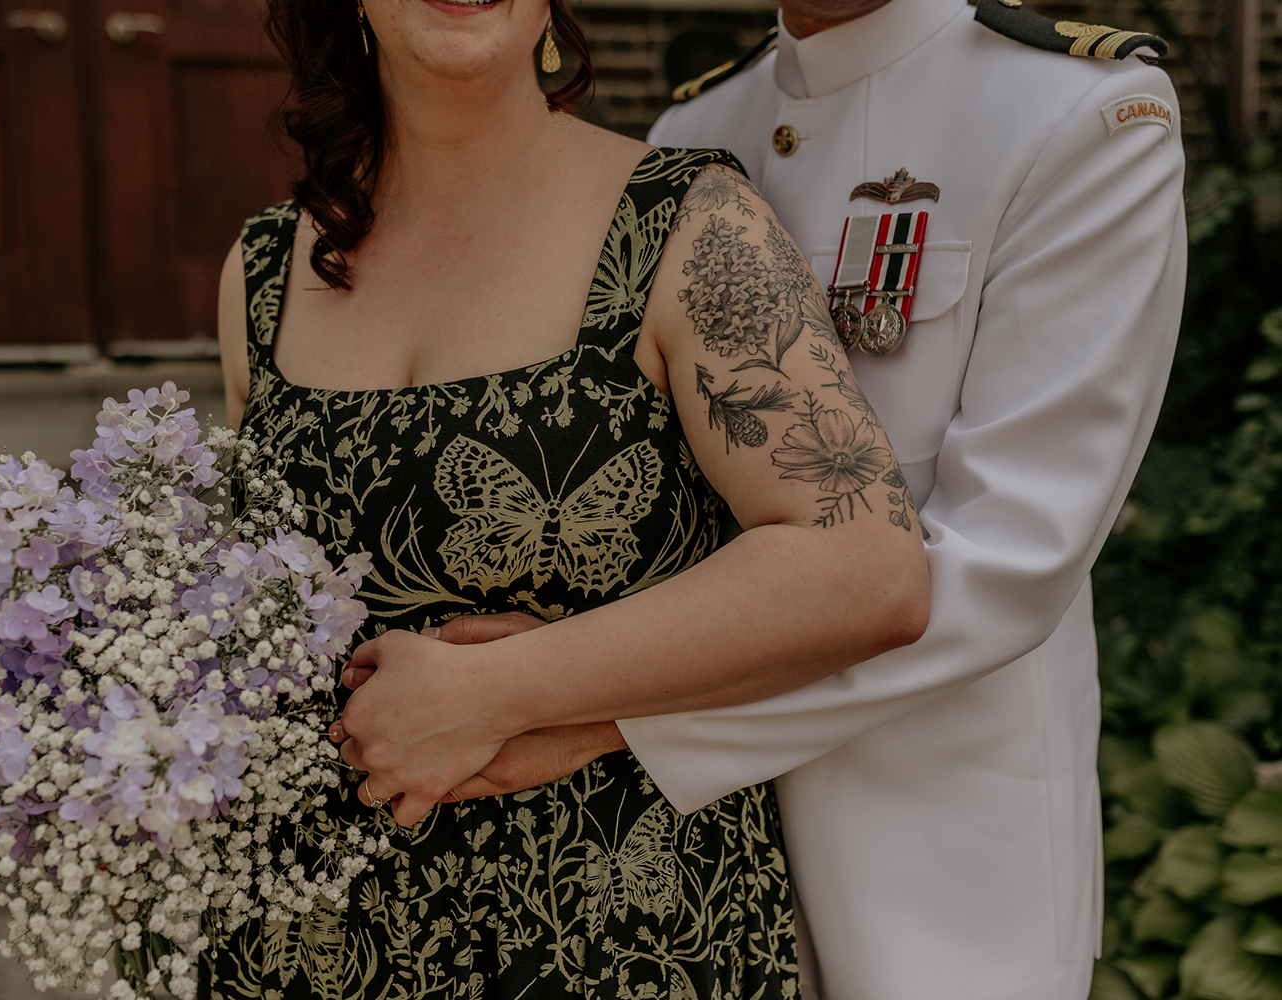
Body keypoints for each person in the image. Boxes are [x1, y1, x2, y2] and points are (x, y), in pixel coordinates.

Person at [432, 0, 1187, 996]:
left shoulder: (1077, 115)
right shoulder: (691, 134)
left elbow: (1009, 561)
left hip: (936, 869)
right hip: (685, 874)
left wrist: (613, 711)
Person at [208, 0, 928, 995]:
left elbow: (865, 568)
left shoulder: (692, 223)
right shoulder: (261, 271)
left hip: (616, 933)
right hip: (309, 944)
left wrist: (494, 691)